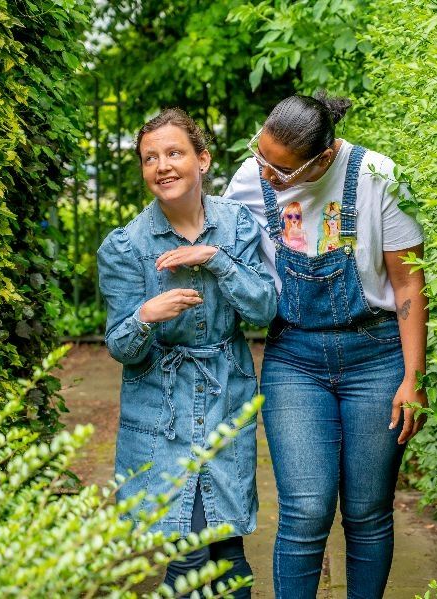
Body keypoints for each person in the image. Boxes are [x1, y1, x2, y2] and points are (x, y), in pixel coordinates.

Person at [224, 92, 429, 598]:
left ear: (325, 155)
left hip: (376, 357)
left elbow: (407, 283)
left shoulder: (378, 176)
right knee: (305, 508)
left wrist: (413, 378)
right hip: (294, 358)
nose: (267, 173)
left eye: (282, 170)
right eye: (261, 156)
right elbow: (217, 248)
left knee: (367, 509)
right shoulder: (250, 180)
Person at [97, 108, 277, 597]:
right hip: (161, 407)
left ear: (203, 159)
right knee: (190, 549)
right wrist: (145, 316)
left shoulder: (237, 225)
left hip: (226, 396)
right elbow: (122, 348)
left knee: (226, 546)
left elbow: (264, 308)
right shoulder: (124, 247)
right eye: (149, 158)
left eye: (174, 153)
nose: (162, 166)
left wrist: (216, 260)